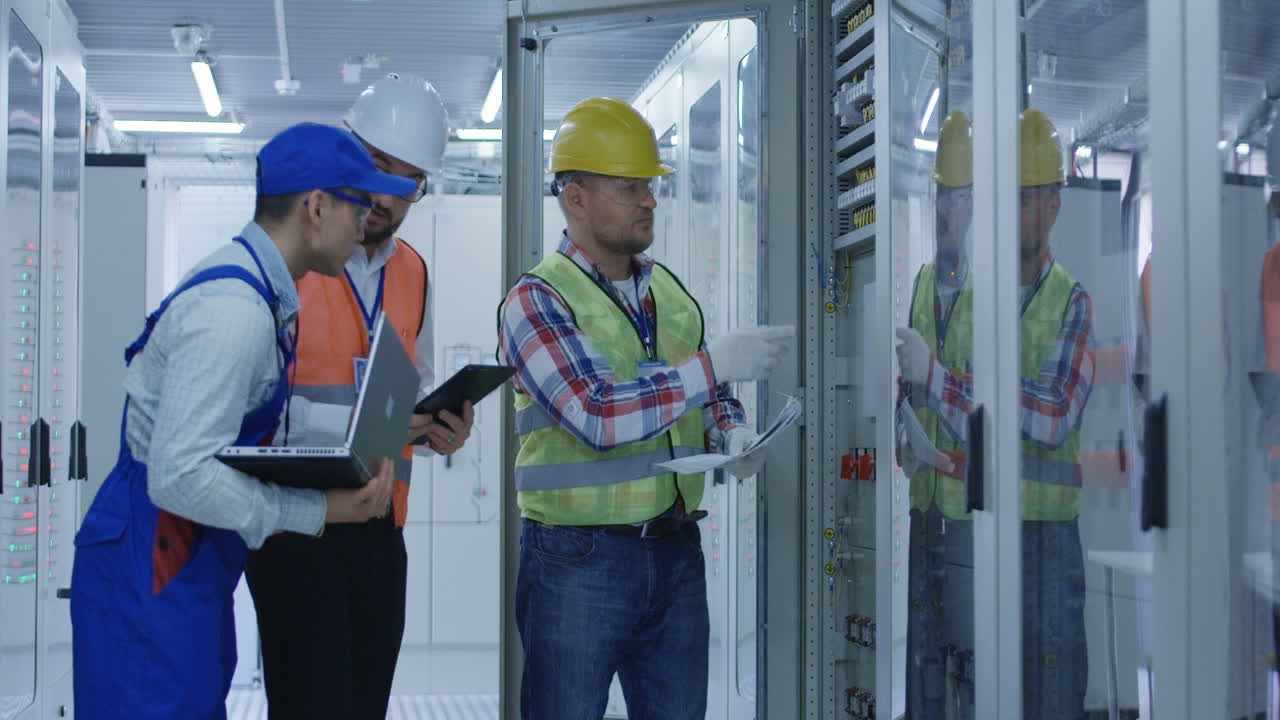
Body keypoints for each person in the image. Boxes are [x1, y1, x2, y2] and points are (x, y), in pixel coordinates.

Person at [69, 123, 414, 720]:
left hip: (188, 553)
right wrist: (317, 511)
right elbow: (179, 476)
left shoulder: (262, 293)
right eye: (358, 204)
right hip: (154, 556)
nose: (366, 223)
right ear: (316, 206)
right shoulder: (236, 310)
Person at [498, 96, 793, 719]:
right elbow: (598, 415)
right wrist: (714, 365)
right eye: (629, 186)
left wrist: (733, 433)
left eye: (650, 186)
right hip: (577, 564)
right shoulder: (536, 301)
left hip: (675, 552)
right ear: (575, 199)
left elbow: (708, 393)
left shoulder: (670, 294)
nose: (649, 200)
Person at [243, 73, 474, 720]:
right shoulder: (288, 258)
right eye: (376, 167)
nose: (382, 195)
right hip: (297, 527)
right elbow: (247, 407)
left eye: (406, 181)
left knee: (365, 706)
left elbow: (410, 384)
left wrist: (435, 428)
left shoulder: (414, 272)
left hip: (379, 529)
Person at [896, 108, 1096, 719]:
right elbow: (922, 389)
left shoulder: (1070, 300)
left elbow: (1054, 415)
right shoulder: (938, 280)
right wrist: (907, 422)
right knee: (943, 688)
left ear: (1053, 205)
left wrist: (938, 380)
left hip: (1040, 536)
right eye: (943, 197)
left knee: (1043, 697)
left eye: (1022, 199)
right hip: (945, 520)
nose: (951, 213)